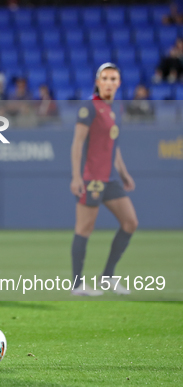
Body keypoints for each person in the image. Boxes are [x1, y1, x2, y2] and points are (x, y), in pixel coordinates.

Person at [70, 63, 138, 297]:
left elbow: (113, 145)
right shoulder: (89, 107)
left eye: (113, 79)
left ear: (119, 83)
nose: (109, 82)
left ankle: (108, 276)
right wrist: (77, 177)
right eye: (105, 78)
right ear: (98, 82)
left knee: (130, 223)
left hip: (111, 178)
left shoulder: (116, 108)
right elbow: (77, 143)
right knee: (84, 229)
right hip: (92, 178)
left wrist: (123, 172)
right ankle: (77, 285)